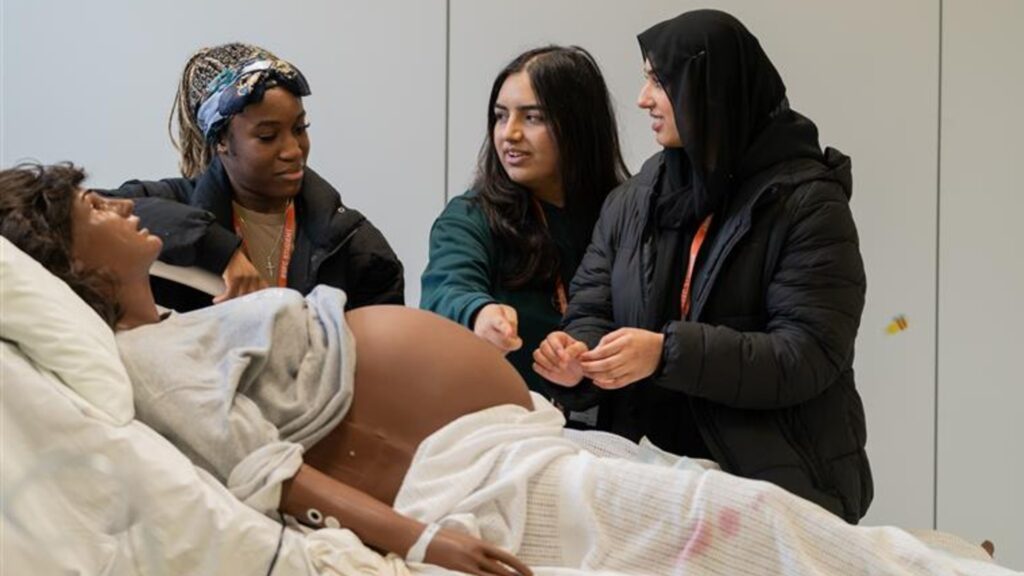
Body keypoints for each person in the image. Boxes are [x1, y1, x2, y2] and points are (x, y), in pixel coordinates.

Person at [3, 162, 1014, 576]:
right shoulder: (146, 357)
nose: (118, 207)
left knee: (745, 518)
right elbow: (266, 475)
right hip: (470, 480)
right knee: (746, 533)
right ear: (68, 261)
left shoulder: (179, 314)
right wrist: (427, 541)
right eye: (92, 210)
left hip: (513, 439)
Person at [534, 9, 873, 523]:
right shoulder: (634, 199)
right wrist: (577, 358)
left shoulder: (807, 203)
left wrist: (666, 352)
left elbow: (806, 355)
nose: (643, 98)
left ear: (711, 88)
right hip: (646, 474)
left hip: (773, 480)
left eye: (659, 80)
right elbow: (591, 307)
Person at [98, 43, 404, 311]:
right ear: (221, 142)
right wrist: (217, 250)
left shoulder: (354, 244)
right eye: (268, 136)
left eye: (300, 129)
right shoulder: (175, 202)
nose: (294, 150)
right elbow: (84, 208)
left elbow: (387, 362)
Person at [420, 46, 629, 414]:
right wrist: (480, 313)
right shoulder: (472, 215)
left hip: (619, 429)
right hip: (509, 426)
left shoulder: (626, 212)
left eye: (532, 117)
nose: (509, 134)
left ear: (578, 124)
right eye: (501, 117)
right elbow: (448, 287)